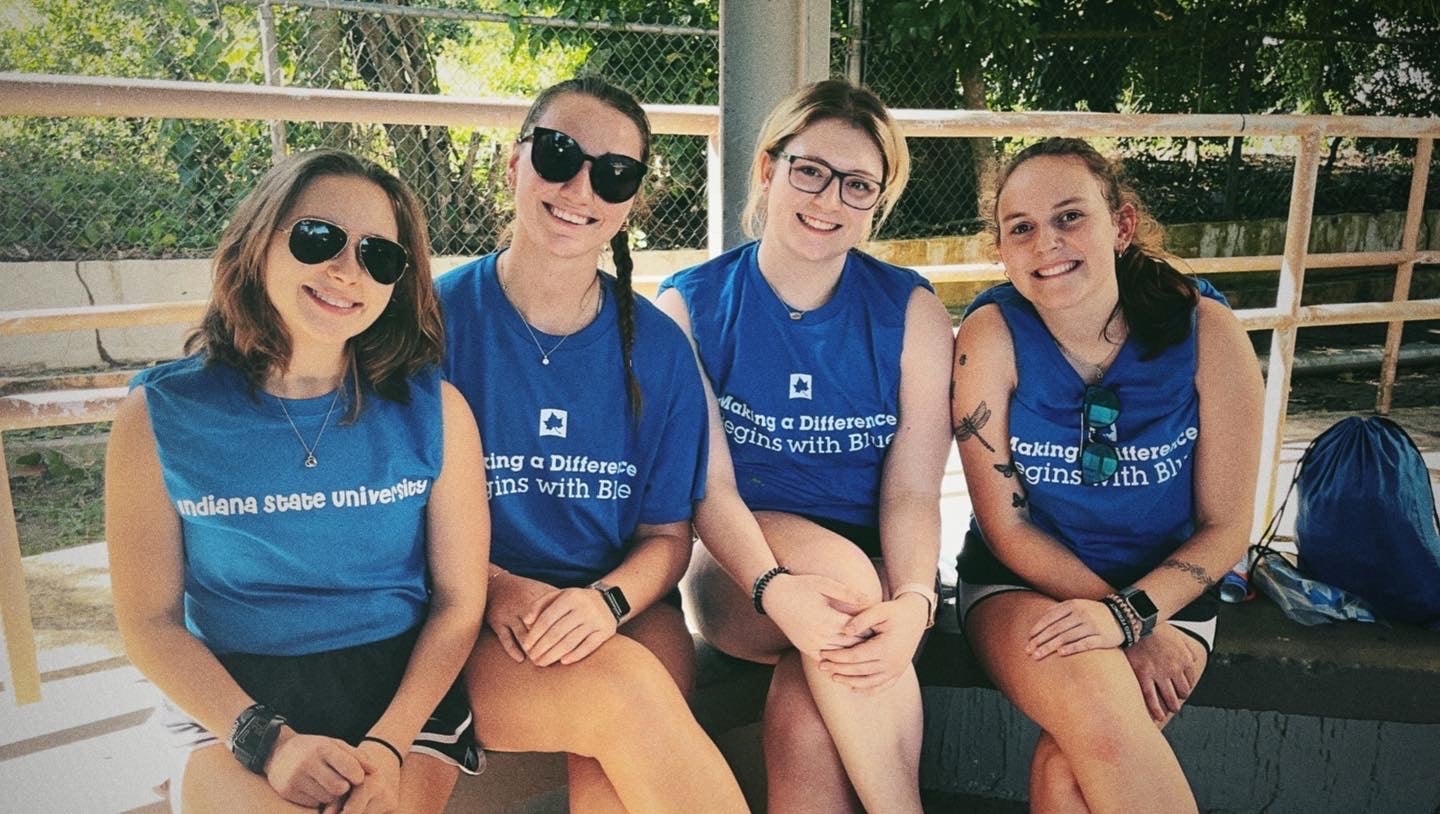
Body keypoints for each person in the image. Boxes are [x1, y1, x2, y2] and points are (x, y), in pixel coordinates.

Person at [105, 149, 489, 813]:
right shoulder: (159, 416)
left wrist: (387, 747)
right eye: (320, 238)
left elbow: (458, 604)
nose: (347, 270)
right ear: (259, 242)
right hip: (233, 694)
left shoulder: (436, 412)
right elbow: (150, 623)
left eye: (379, 256)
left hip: (397, 693)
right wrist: (268, 742)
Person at [436, 76, 747, 813]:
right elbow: (392, 517)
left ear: (631, 201)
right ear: (513, 165)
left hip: (625, 604)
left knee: (616, 763)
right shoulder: (432, 322)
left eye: (614, 174)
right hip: (464, 610)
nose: (581, 187)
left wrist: (604, 603)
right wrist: (500, 587)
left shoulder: (661, 349)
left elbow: (667, 536)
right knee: (626, 695)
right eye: (558, 154)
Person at [656, 78, 953, 813]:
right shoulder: (690, 305)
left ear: (877, 202)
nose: (828, 202)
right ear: (768, 168)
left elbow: (914, 489)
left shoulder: (909, 310)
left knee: (804, 721)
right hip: (740, 570)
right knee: (845, 582)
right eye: (810, 171)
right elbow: (712, 492)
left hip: (876, 571)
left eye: (857, 186)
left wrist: (915, 598)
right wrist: (775, 587)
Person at [950, 137, 1264, 811]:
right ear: (1001, 250)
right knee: (1101, 720)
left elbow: (1227, 526)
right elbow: (1007, 526)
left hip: (1170, 594)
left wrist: (1134, 615)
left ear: (1120, 225)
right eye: (1022, 228)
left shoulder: (1206, 330)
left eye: (1070, 217)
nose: (1047, 243)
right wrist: (1120, 624)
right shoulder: (992, 335)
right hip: (1024, 584)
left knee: (1070, 767)